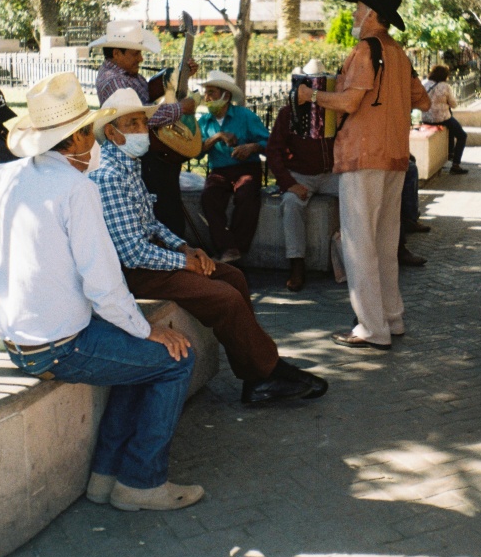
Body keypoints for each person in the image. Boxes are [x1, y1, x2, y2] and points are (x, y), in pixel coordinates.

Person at [0, 72, 203, 513]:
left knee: (141, 362)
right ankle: (142, 481)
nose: (95, 141)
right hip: (57, 346)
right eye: (88, 133)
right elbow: (103, 282)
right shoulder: (77, 188)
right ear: (73, 140)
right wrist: (146, 330)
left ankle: (106, 478)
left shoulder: (15, 174)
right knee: (175, 360)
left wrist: (137, 331)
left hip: (24, 339)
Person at [91, 88, 328, 405]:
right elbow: (132, 253)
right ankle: (269, 369)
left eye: (142, 122)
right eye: (132, 123)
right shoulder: (109, 175)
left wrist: (184, 248)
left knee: (233, 277)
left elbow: (149, 222)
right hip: (133, 272)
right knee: (224, 298)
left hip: (150, 259)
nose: (142, 130)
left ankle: (256, 376)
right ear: (112, 132)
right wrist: (183, 262)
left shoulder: (128, 164)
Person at [297, 0, 431, 350]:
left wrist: (311, 95)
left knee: (360, 244)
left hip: (362, 155)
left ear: (372, 14)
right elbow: (422, 100)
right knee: (385, 244)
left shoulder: (364, 50)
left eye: (358, 8)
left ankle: (372, 329)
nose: (354, 14)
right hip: (395, 156)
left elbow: (349, 103)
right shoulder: (399, 53)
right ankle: (392, 318)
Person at [90, 19, 197, 238]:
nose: (140, 58)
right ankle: (170, 250)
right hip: (140, 153)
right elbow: (138, 115)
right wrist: (180, 109)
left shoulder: (127, 75)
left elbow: (144, 100)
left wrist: (180, 76)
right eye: (135, 53)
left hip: (148, 151)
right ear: (116, 53)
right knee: (162, 209)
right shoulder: (114, 81)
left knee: (166, 205)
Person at [266, 59, 339, 291]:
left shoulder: (334, 113)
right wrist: (289, 184)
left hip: (331, 174)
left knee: (357, 193)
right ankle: (296, 264)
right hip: (300, 176)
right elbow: (273, 151)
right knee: (291, 204)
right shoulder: (288, 113)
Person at [198, 71, 269, 264]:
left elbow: (269, 142)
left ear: (226, 96)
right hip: (219, 171)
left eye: (211, 92)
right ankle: (229, 248)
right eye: (206, 92)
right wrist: (217, 137)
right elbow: (196, 151)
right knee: (209, 197)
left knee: (247, 194)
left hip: (247, 168)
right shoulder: (204, 121)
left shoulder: (245, 116)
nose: (207, 97)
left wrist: (252, 147)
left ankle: (234, 248)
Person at [421, 65, 469, 175]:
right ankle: (455, 164)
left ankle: (450, 152)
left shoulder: (424, 84)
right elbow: (454, 104)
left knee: (451, 127)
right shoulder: (445, 86)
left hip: (426, 118)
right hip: (442, 118)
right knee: (462, 136)